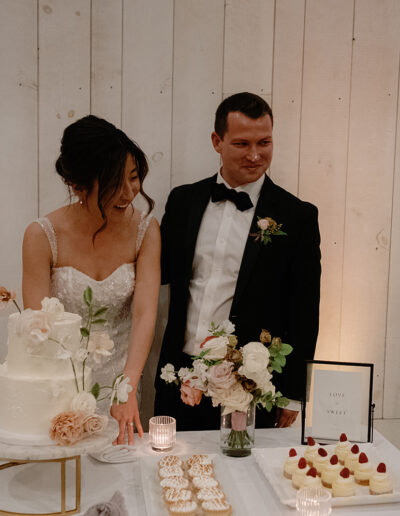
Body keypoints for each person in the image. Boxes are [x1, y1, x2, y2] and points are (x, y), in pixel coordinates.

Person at [154, 92, 321, 430]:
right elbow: (159, 275)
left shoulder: (297, 216)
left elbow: (305, 311)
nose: (255, 155)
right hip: (179, 377)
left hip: (250, 386)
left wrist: (292, 394)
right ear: (217, 141)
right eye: (242, 144)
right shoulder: (183, 201)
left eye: (265, 142)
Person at [22, 115, 161, 444]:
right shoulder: (42, 235)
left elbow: (144, 313)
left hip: (121, 386)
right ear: (78, 185)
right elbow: (37, 329)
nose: (129, 192)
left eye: (134, 177)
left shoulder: (146, 230)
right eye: (115, 182)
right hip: (57, 387)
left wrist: (126, 387)